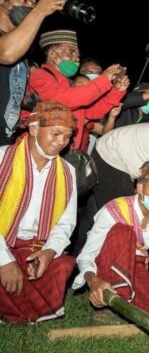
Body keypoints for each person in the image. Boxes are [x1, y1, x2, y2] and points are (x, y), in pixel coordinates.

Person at [72, 161, 149, 316]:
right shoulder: (113, 211)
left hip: (136, 265)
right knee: (124, 232)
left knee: (147, 312)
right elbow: (87, 255)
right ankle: (107, 301)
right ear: (139, 188)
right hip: (105, 263)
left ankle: (121, 298)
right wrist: (93, 280)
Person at [0, 101, 77, 323]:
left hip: (33, 247)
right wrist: (4, 260)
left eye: (67, 136)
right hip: (2, 245)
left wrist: (49, 252)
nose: (62, 142)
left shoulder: (68, 172)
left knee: (61, 264)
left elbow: (66, 223)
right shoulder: (3, 158)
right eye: (56, 133)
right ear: (33, 129)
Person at [0, 0, 65, 145]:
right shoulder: (10, 48)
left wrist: (30, 116)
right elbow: (6, 54)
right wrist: (40, 10)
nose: (30, 6)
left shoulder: (24, 55)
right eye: (24, 0)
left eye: (33, 3)